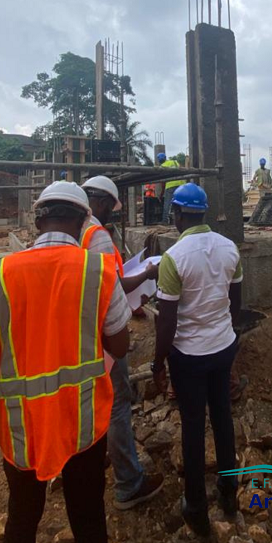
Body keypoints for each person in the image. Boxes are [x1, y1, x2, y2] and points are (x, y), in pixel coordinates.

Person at [0, 181, 132, 543]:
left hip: (22, 428)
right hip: (81, 423)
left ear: (37, 220)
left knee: (22, 518)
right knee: (88, 517)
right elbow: (121, 345)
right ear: (82, 220)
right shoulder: (97, 271)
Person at [151, 183, 242, 539]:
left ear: (177, 214)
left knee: (192, 427)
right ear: (203, 212)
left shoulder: (175, 257)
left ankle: (196, 508)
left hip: (188, 356)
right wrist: (225, 333)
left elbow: (167, 320)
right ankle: (229, 495)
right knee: (222, 418)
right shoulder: (229, 248)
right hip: (223, 348)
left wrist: (159, 362)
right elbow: (235, 304)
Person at [81, 175, 164, 510]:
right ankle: (130, 483)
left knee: (95, 398)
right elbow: (112, 284)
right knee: (116, 402)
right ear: (100, 201)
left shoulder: (79, 229)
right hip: (105, 330)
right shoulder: (96, 235)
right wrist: (145, 274)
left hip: (84, 328)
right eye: (111, 208)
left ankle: (96, 454)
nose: (113, 215)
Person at [157, 152, 183, 224]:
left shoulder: (162, 166)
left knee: (167, 203)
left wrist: (162, 193)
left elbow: (163, 182)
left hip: (170, 186)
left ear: (159, 160)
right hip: (181, 185)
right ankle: (181, 220)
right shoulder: (174, 162)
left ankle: (165, 220)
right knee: (179, 203)